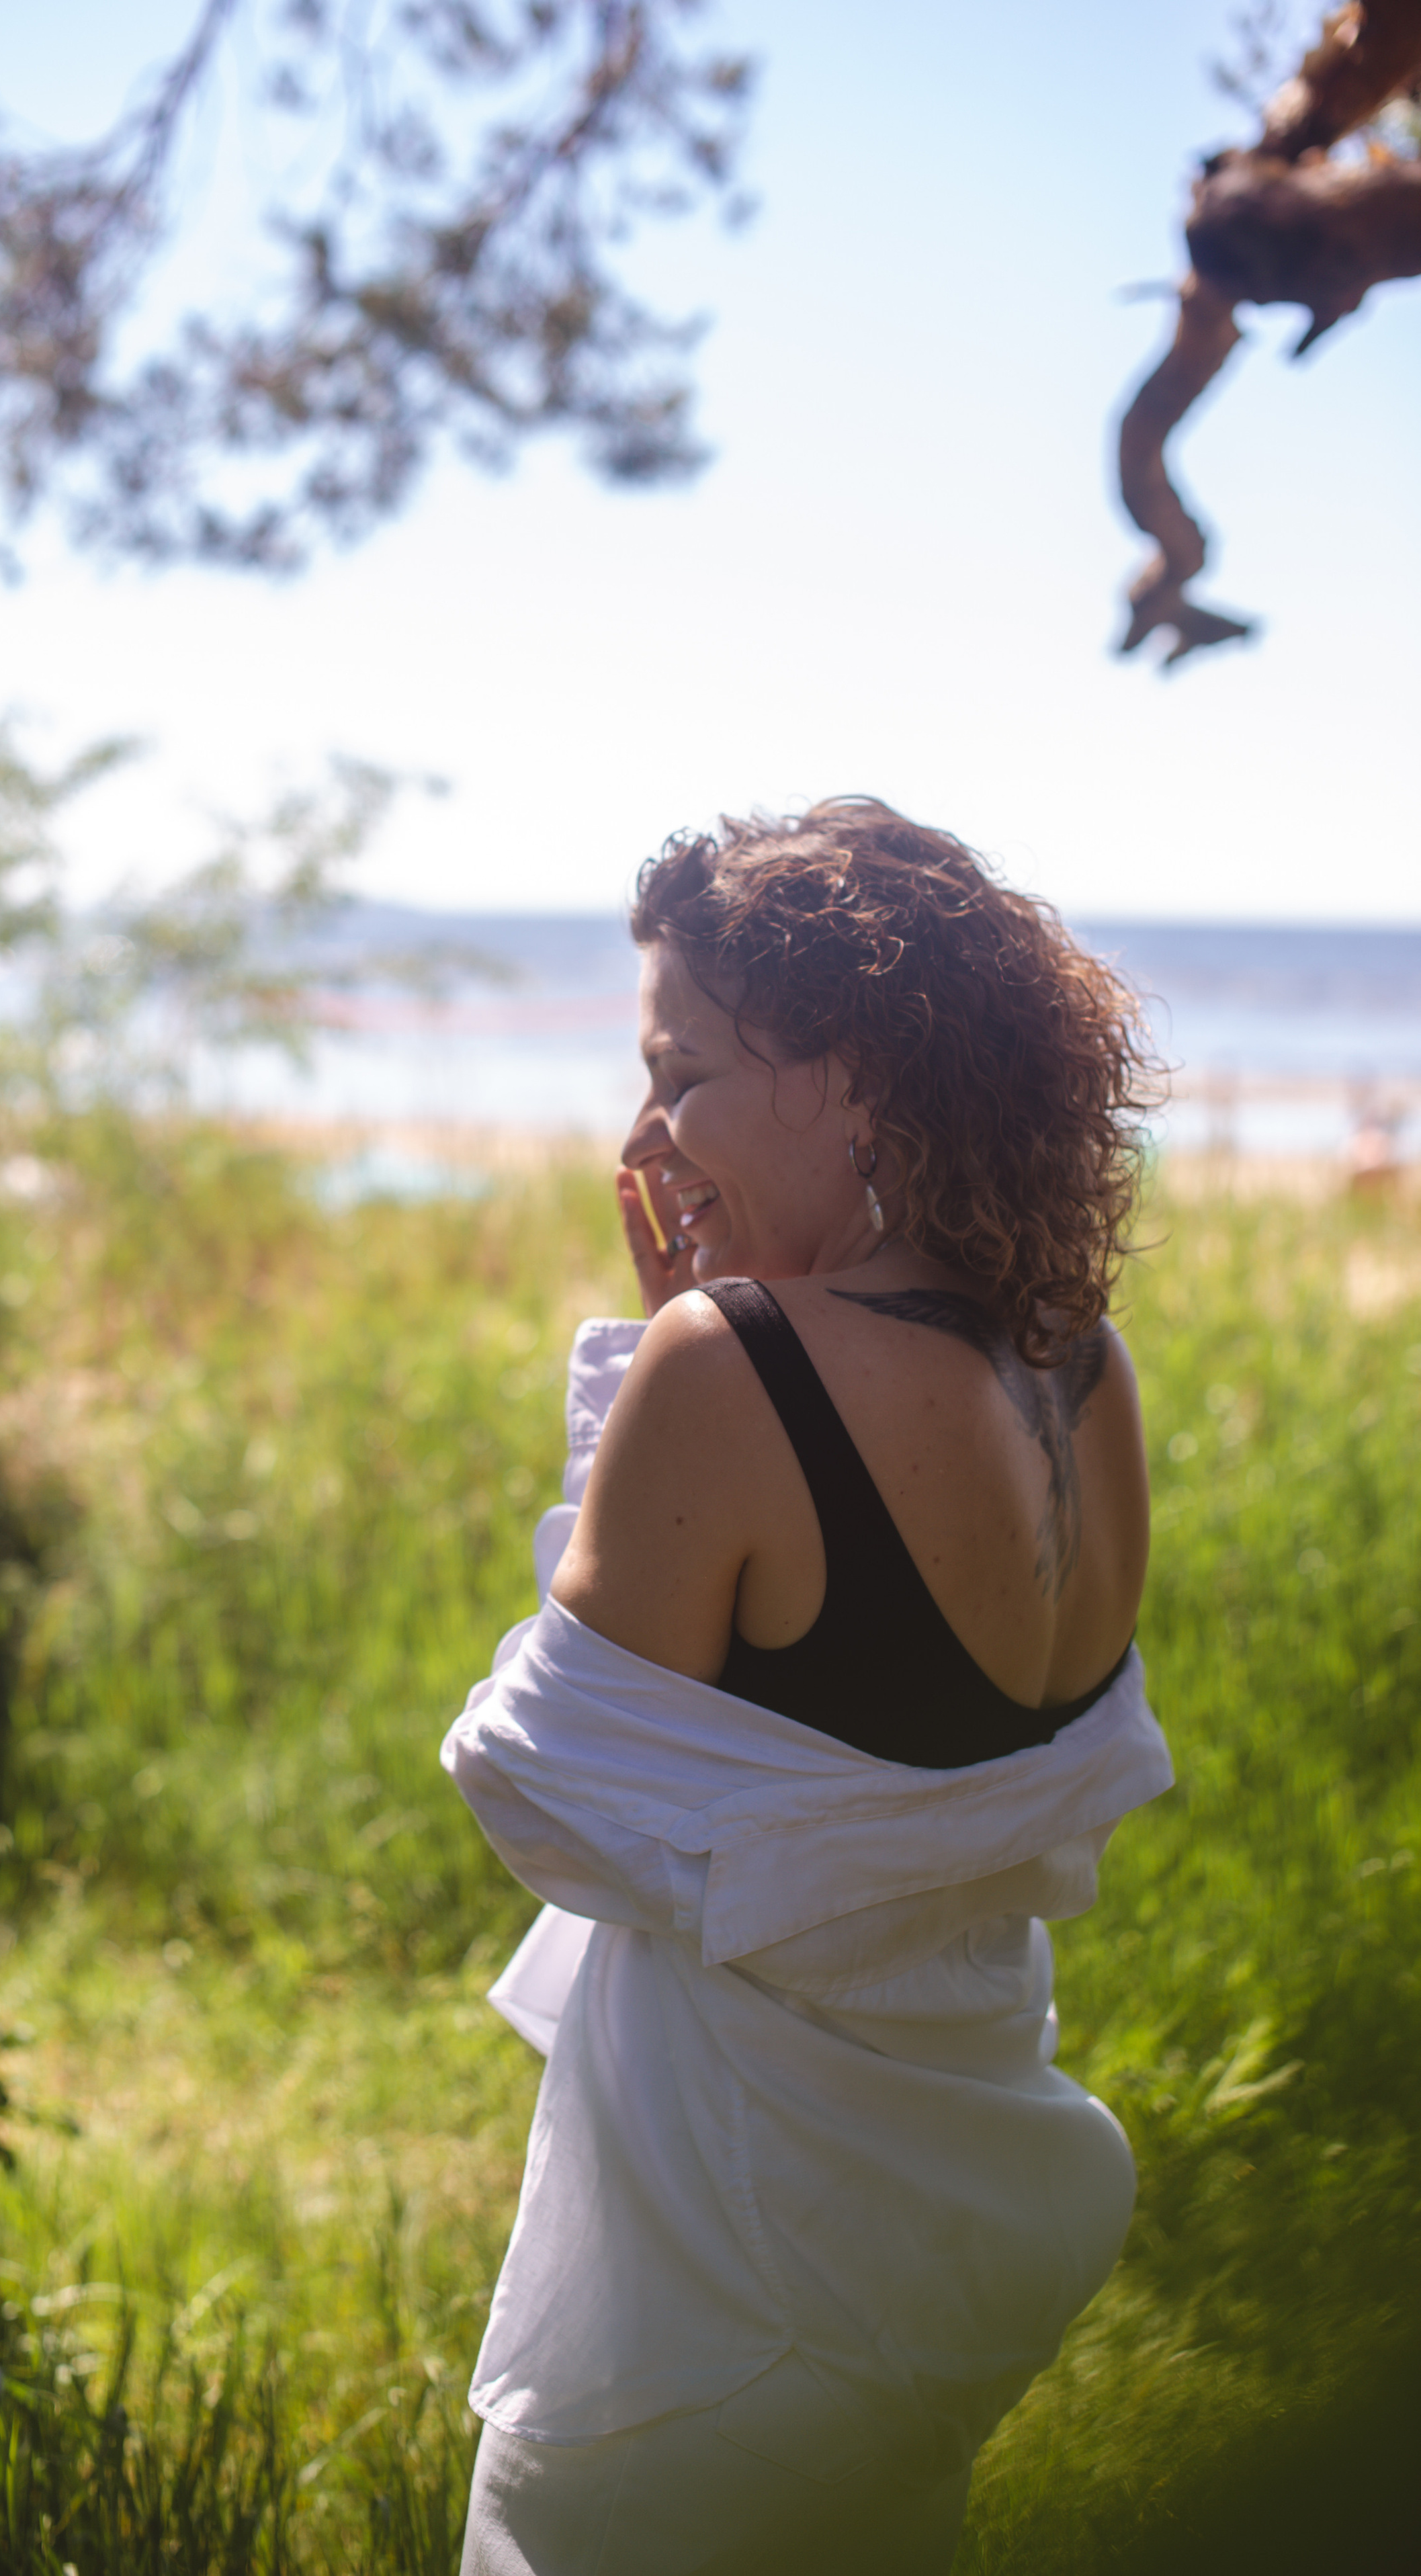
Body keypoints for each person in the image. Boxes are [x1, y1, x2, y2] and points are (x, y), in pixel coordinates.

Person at [443, 799, 1173, 2576]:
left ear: (850, 1077)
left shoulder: (729, 1370)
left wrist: (668, 1358)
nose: (644, 1132)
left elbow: (540, 1786)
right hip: (941, 2245)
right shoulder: (1081, 1370)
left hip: (724, 2267)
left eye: (681, 1070)